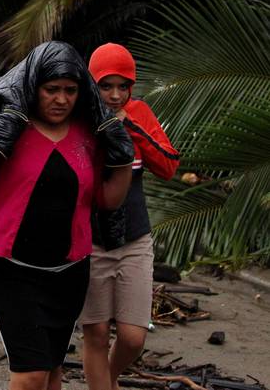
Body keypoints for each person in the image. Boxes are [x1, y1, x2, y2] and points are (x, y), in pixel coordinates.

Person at [0, 41, 134, 390]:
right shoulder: (12, 126)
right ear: (33, 87)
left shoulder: (88, 134)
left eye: (70, 90)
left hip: (70, 272)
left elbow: (107, 200)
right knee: (30, 377)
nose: (61, 99)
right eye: (51, 89)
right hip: (11, 270)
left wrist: (123, 159)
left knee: (53, 373)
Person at [80, 43, 180, 390]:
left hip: (135, 239)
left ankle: (109, 379)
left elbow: (168, 166)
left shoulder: (140, 112)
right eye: (106, 85)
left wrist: (131, 128)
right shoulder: (79, 119)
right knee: (95, 333)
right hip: (90, 242)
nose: (115, 94)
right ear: (92, 84)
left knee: (133, 337)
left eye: (123, 86)